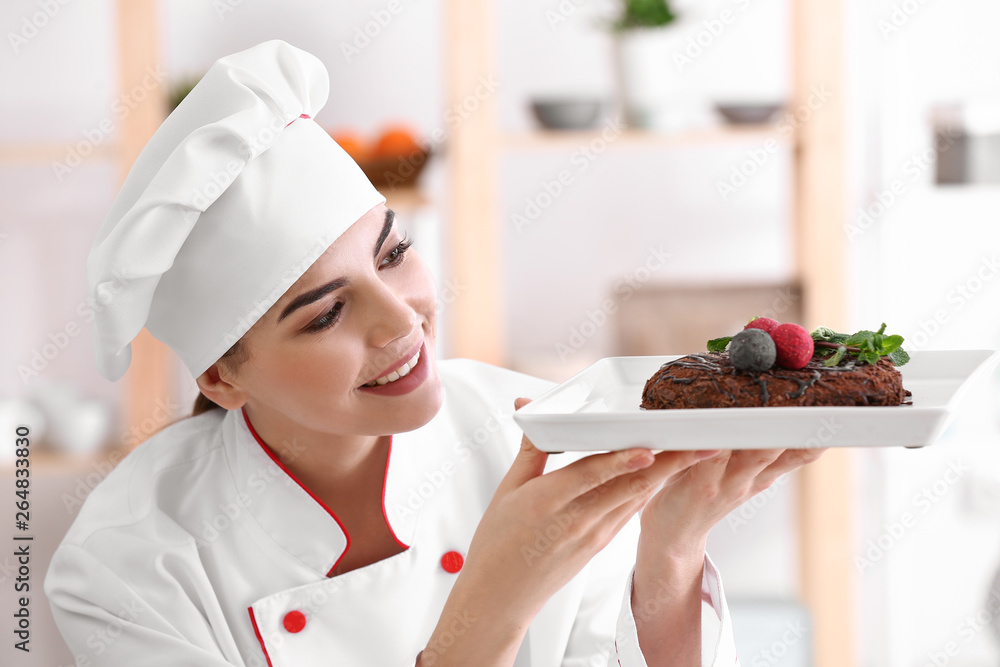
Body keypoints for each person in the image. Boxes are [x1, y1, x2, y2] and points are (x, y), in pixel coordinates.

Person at [44, 39, 825, 666]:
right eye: (325, 314)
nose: (401, 323)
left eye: (394, 254)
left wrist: (672, 554)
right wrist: (486, 617)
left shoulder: (542, 432)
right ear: (222, 377)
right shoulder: (127, 563)